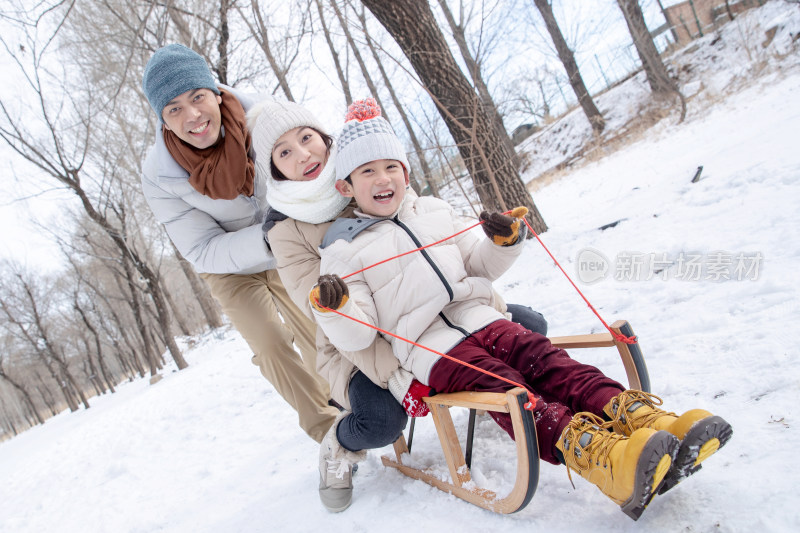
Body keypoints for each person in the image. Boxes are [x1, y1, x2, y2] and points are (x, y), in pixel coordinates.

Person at [309, 99, 733, 520]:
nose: (383, 178)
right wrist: (335, 309)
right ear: (346, 187)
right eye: (367, 171)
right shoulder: (343, 252)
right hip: (431, 351)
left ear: (406, 172)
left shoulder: (434, 212)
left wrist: (501, 243)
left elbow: (476, 267)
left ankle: (648, 422)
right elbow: (359, 334)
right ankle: (604, 460)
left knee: (550, 361)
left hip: (483, 318)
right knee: (509, 389)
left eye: (391, 167)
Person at [246, 98, 550, 513]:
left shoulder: (370, 164)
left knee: (529, 324)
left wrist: (491, 313)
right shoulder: (285, 232)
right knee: (383, 421)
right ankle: (339, 445)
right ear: (275, 170)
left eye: (306, 138)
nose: (303, 155)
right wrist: (400, 371)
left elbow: (433, 250)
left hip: (427, 315)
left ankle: (522, 393)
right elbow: (326, 315)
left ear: (323, 138)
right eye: (284, 152)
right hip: (358, 343)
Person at [139, 44, 339, 443]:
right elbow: (201, 249)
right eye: (174, 108)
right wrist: (271, 236)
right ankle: (329, 433)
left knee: (316, 327)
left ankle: (350, 406)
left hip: (286, 242)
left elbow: (308, 167)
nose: (192, 115)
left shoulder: (262, 116)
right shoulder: (160, 175)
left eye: (197, 97)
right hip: (229, 266)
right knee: (270, 344)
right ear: (163, 119)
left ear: (214, 90)